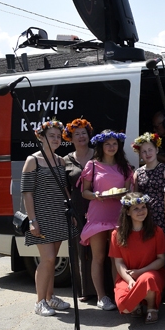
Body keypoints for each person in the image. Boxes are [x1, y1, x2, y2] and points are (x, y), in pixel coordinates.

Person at [22, 120, 75, 316]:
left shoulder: (61, 161)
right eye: (51, 135)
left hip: (58, 215)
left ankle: (50, 297)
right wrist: (32, 220)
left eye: (58, 136)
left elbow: (65, 190)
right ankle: (39, 302)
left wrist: (71, 210)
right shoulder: (32, 161)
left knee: (53, 260)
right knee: (48, 259)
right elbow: (27, 193)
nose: (55, 139)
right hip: (41, 217)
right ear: (41, 137)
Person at [79, 130, 133, 311]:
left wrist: (124, 194)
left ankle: (118, 295)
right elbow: (84, 192)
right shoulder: (92, 165)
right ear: (101, 146)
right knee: (99, 257)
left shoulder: (124, 166)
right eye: (108, 144)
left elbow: (129, 191)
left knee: (116, 258)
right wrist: (95, 195)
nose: (111, 147)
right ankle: (101, 297)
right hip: (98, 215)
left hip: (118, 215)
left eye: (114, 144)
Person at [132, 132, 165, 306]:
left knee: (164, 254)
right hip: (145, 218)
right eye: (144, 151)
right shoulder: (138, 172)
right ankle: (152, 291)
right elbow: (135, 195)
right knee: (149, 255)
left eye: (150, 150)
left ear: (156, 150)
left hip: (163, 218)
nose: (147, 154)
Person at [110, 193, 165, 324]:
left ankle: (152, 308)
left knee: (148, 279)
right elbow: (118, 263)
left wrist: (140, 272)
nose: (141, 211)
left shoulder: (157, 231)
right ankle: (136, 305)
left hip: (150, 273)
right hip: (127, 276)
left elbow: (161, 260)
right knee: (124, 306)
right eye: (136, 208)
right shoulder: (116, 234)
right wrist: (129, 280)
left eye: (143, 207)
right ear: (127, 212)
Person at [63, 118, 96, 301]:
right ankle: (84, 290)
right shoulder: (66, 160)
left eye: (84, 132)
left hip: (97, 207)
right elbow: (64, 187)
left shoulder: (98, 155)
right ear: (70, 137)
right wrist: (71, 210)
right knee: (78, 250)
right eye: (77, 134)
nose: (81, 136)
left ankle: (102, 290)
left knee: (98, 250)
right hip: (76, 209)